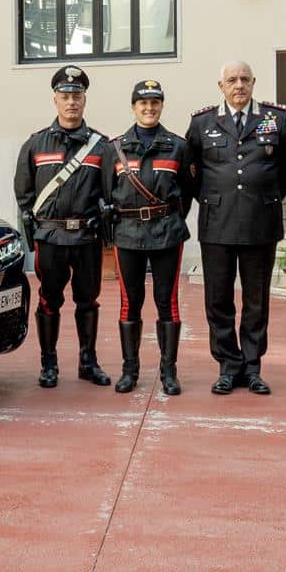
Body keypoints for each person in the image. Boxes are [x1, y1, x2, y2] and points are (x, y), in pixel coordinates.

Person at [185, 61, 286, 395]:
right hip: (217, 224)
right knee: (218, 300)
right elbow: (191, 172)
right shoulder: (202, 122)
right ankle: (228, 366)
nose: (239, 85)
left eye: (245, 79)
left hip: (260, 223)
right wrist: (214, 200)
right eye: (231, 80)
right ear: (221, 86)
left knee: (256, 300)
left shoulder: (276, 119)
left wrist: (266, 197)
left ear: (254, 82)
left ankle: (252, 367)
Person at [14, 65, 112, 388]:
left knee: (88, 300)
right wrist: (31, 234)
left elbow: (109, 191)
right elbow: (24, 194)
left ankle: (88, 361)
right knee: (48, 300)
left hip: (86, 237)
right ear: (55, 99)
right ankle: (49, 363)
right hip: (51, 237)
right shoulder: (36, 145)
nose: (72, 102)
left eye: (77, 96)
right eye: (65, 95)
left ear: (85, 100)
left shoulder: (101, 146)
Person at [100, 80, 192, 395]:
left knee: (167, 302)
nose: (149, 108)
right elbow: (106, 191)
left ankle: (169, 372)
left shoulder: (178, 146)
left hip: (167, 231)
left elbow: (187, 193)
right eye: (143, 103)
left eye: (155, 103)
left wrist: (169, 217)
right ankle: (130, 371)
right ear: (133, 107)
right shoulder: (115, 147)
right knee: (130, 303)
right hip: (127, 234)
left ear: (162, 106)